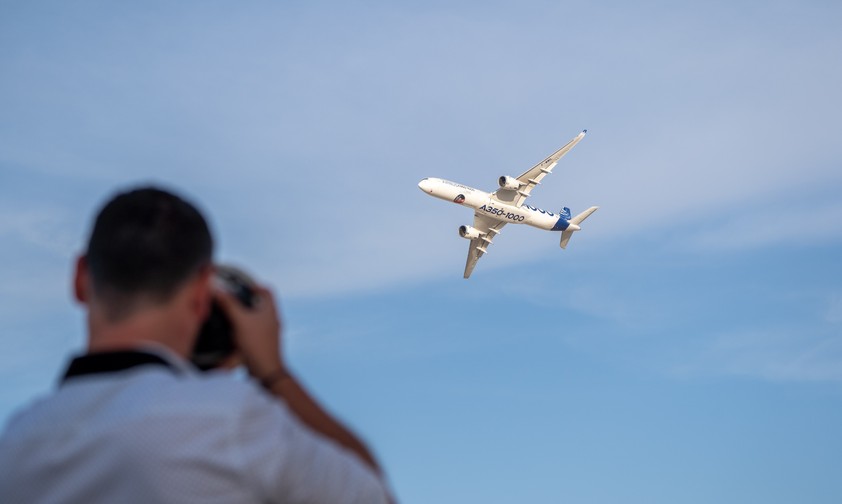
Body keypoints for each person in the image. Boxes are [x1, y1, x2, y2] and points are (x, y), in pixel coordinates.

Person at [0, 186, 393, 503]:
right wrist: (274, 374)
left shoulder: (16, 443)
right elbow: (372, 493)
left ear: (80, 278)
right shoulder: (230, 422)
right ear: (202, 294)